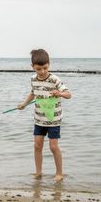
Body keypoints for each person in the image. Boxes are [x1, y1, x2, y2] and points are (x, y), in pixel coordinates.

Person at [17, 49, 72, 181]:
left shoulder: (54, 80)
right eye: (38, 69)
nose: (42, 71)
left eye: (45, 68)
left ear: (49, 64)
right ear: (32, 67)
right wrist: (24, 104)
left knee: (53, 147)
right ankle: (38, 172)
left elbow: (69, 94)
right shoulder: (33, 79)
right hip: (39, 118)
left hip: (53, 119)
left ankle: (59, 173)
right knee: (37, 146)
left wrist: (59, 93)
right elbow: (33, 93)